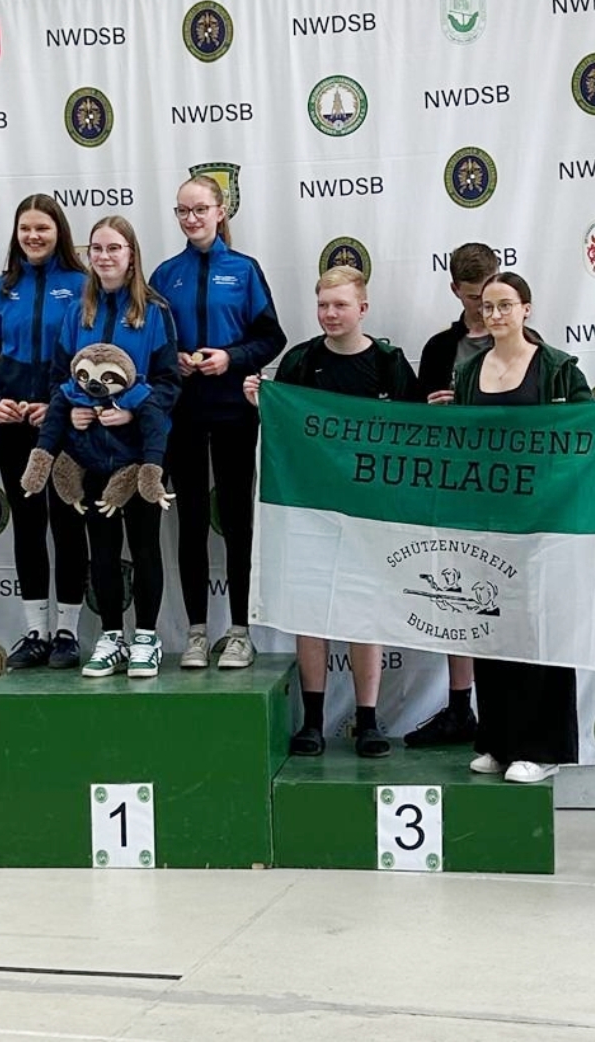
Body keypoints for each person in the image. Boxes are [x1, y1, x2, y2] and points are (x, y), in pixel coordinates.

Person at [243, 266, 417, 758]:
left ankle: (368, 721)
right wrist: (262, 403)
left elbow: (415, 432)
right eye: (323, 305)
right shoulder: (300, 361)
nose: (330, 314)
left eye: (340, 305)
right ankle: (313, 722)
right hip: (311, 510)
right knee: (311, 613)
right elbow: (283, 432)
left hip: (371, 513)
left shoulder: (389, 363)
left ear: (363, 308)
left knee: (366, 614)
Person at [451, 271, 591, 783]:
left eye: (505, 305)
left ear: (526, 309)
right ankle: (498, 740)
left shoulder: (557, 368)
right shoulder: (469, 371)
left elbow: (588, 431)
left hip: (544, 520)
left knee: (541, 628)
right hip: (488, 518)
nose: (495, 315)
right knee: (490, 623)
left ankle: (543, 748)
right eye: (487, 307)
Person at [150, 176, 287, 670]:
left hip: (233, 412)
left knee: (236, 520)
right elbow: (150, 342)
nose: (191, 218)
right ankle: (195, 632)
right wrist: (173, 360)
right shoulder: (166, 274)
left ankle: (240, 632)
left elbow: (271, 338)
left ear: (220, 210)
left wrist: (231, 358)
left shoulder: (244, 270)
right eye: (183, 211)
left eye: (200, 209)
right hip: (183, 413)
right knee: (189, 522)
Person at [53, 215, 180, 679]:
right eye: (97, 249)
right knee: (101, 549)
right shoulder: (77, 312)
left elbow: (169, 382)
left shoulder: (155, 311)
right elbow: (60, 379)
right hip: (90, 454)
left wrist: (129, 410)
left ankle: (146, 637)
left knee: (144, 546)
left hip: (140, 453)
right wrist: (72, 413)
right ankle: (111, 636)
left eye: (114, 248)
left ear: (131, 255)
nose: (104, 257)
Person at [0, 195, 90, 671]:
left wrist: (59, 404)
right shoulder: (1, 290)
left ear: (59, 232)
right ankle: (35, 631)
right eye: (26, 229)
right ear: (16, 235)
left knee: (68, 522)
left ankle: (67, 632)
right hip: (14, 427)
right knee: (27, 522)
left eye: (43, 228)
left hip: (65, 427)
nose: (34, 236)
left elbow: (93, 358)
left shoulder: (82, 285)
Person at [406, 241, 500, 748]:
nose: (481, 307)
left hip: (508, 489)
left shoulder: (528, 343)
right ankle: (462, 707)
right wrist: (432, 411)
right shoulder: (440, 348)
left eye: (488, 295)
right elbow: (411, 422)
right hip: (453, 485)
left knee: (503, 598)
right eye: (471, 298)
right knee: (457, 594)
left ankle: (504, 710)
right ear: (454, 291)